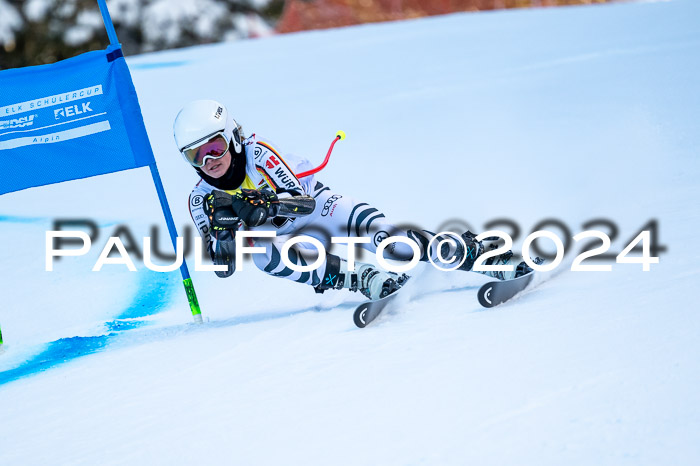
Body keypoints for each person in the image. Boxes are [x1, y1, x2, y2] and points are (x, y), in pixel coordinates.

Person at [174, 99, 535, 300]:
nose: (210, 161)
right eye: (196, 156)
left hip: (318, 205)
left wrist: (264, 206)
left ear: (232, 137)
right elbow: (223, 267)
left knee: (391, 244)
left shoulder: (258, 153)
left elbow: (304, 204)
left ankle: (472, 253)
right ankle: (355, 277)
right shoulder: (200, 199)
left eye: (215, 146)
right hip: (284, 239)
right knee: (261, 253)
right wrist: (223, 237)